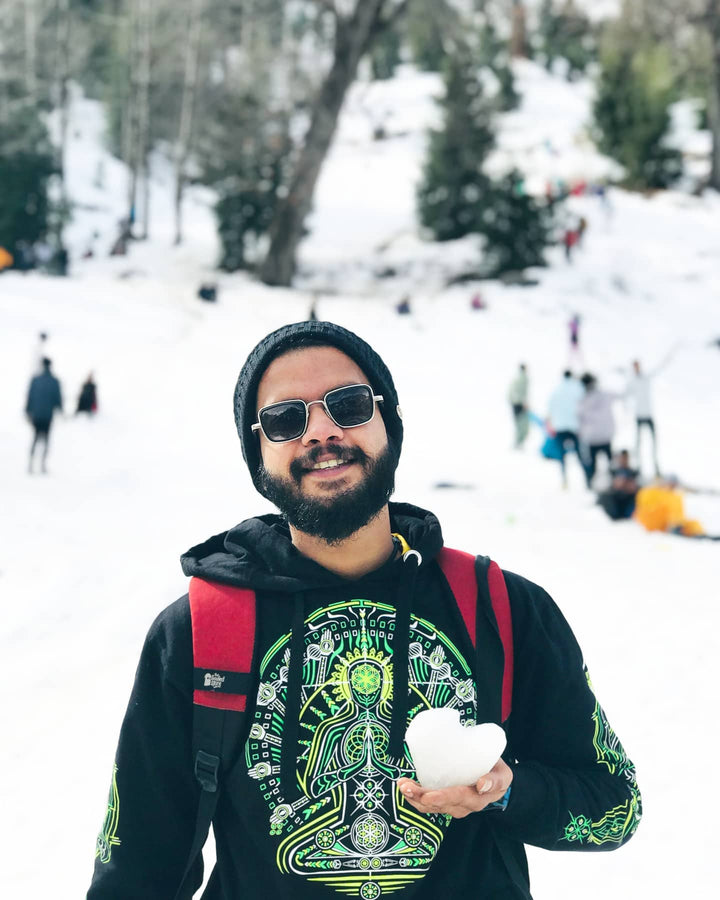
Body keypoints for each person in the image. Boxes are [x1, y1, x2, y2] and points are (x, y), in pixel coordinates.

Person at [87, 322, 641, 899]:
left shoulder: (499, 607)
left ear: (388, 423)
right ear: (259, 454)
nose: (321, 431)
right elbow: (137, 871)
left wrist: (504, 792)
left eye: (348, 405)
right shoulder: (200, 632)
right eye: (285, 419)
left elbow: (614, 808)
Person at [577, 373, 619, 489]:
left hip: (593, 437)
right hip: (604, 435)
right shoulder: (604, 395)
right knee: (610, 463)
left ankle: (592, 484)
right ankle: (613, 483)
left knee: (594, 465)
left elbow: (580, 418)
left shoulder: (583, 400)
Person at [626, 359, 666, 477]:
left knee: (653, 443)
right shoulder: (632, 381)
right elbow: (625, 395)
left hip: (648, 415)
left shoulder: (646, 378)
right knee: (638, 444)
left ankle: (656, 467)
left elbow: (659, 367)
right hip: (639, 416)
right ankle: (639, 468)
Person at [547, 370, 585, 487]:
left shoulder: (556, 390)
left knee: (561, 454)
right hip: (574, 426)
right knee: (580, 454)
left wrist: (552, 424)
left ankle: (564, 479)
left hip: (560, 426)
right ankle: (586, 479)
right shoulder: (578, 388)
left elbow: (550, 408)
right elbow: (583, 405)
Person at [26, 357, 63, 474]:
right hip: (47, 415)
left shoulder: (36, 380)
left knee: (35, 438)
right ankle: (42, 464)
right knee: (46, 439)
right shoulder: (54, 381)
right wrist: (61, 410)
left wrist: (28, 411)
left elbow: (30, 397)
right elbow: (58, 398)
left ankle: (31, 463)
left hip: (37, 415)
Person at [596, 450, 640, 521]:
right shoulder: (612, 472)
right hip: (616, 500)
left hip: (629, 500)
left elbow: (638, 486)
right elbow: (601, 486)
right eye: (622, 458)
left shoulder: (634, 472)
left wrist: (631, 486)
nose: (623, 461)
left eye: (625, 458)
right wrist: (616, 485)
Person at [507, 363, 529, 449]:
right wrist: (524, 402)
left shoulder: (515, 378)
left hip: (514, 403)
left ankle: (517, 442)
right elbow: (523, 392)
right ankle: (519, 442)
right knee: (522, 424)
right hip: (520, 404)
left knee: (518, 424)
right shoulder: (524, 379)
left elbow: (511, 392)